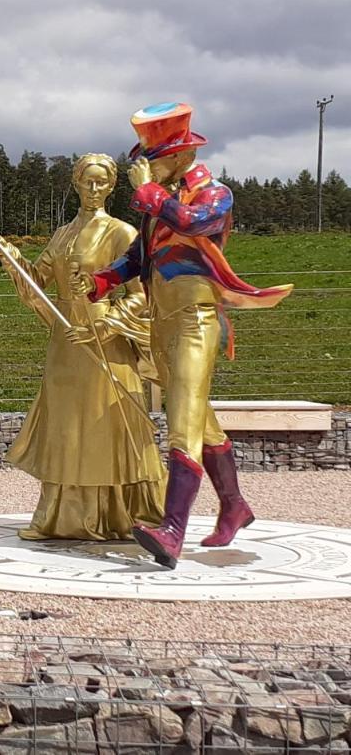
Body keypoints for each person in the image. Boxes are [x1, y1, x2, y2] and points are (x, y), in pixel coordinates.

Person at [71, 103, 293, 568]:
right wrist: (99, 282)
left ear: (179, 155)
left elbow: (195, 224)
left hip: (196, 319)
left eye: (152, 158)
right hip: (162, 319)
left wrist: (150, 193)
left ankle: (172, 531)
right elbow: (136, 259)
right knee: (200, 419)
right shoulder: (159, 200)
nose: (145, 167)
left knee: (183, 422)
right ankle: (234, 505)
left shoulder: (213, 194)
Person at [0, 153, 164, 541]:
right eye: (88, 181)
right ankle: (58, 516)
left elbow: (143, 295)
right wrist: (11, 257)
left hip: (106, 345)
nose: (95, 189)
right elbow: (39, 285)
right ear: (76, 183)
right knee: (66, 428)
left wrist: (104, 325)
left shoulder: (123, 232)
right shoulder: (63, 234)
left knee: (103, 427)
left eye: (102, 182)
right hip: (65, 344)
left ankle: (117, 514)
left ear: (113, 186)